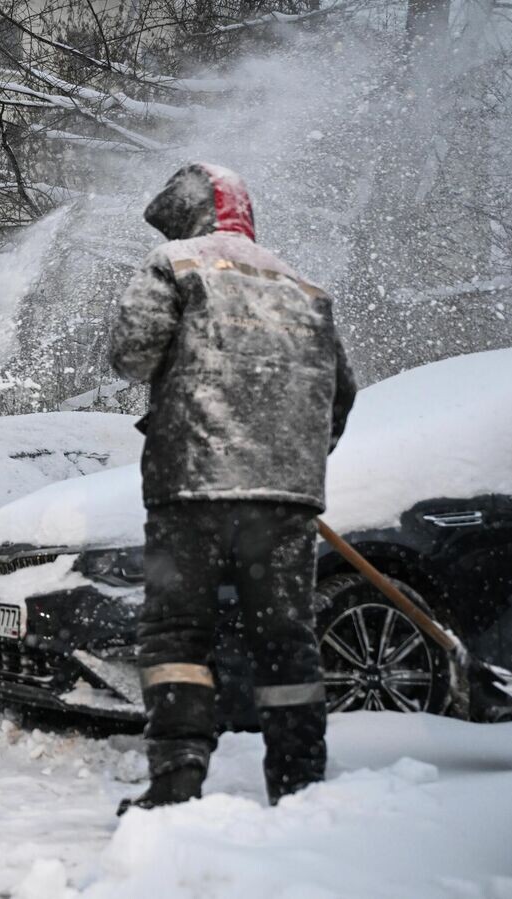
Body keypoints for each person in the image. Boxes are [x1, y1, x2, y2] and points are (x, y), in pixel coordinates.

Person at [110, 163, 357, 813]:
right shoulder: (304, 286)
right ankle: (300, 785)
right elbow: (339, 396)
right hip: (284, 499)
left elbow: (132, 353)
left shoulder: (174, 264)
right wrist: (284, 462)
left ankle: (177, 778)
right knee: (285, 640)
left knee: (177, 635)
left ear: (188, 215)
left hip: (190, 488)